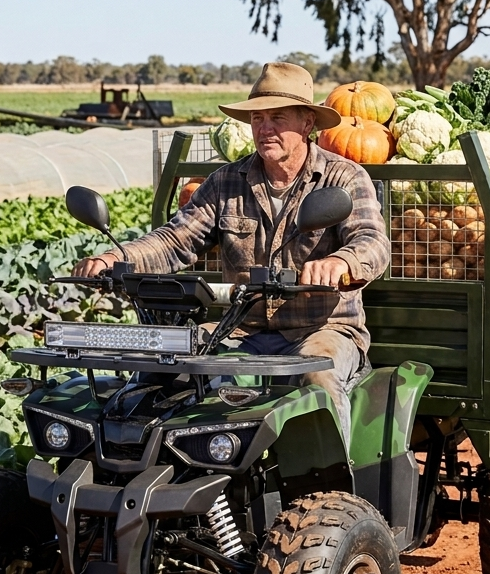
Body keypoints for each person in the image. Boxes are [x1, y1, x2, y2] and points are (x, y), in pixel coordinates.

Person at [74, 61, 390, 443]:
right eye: (257, 118)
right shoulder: (226, 181)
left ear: (308, 123)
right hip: (241, 329)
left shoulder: (344, 177)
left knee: (316, 375)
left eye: (277, 117)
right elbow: (176, 240)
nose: (265, 128)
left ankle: (332, 488)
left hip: (322, 329)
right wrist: (117, 260)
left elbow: (372, 242)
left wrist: (341, 262)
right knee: (168, 362)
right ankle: (160, 467)